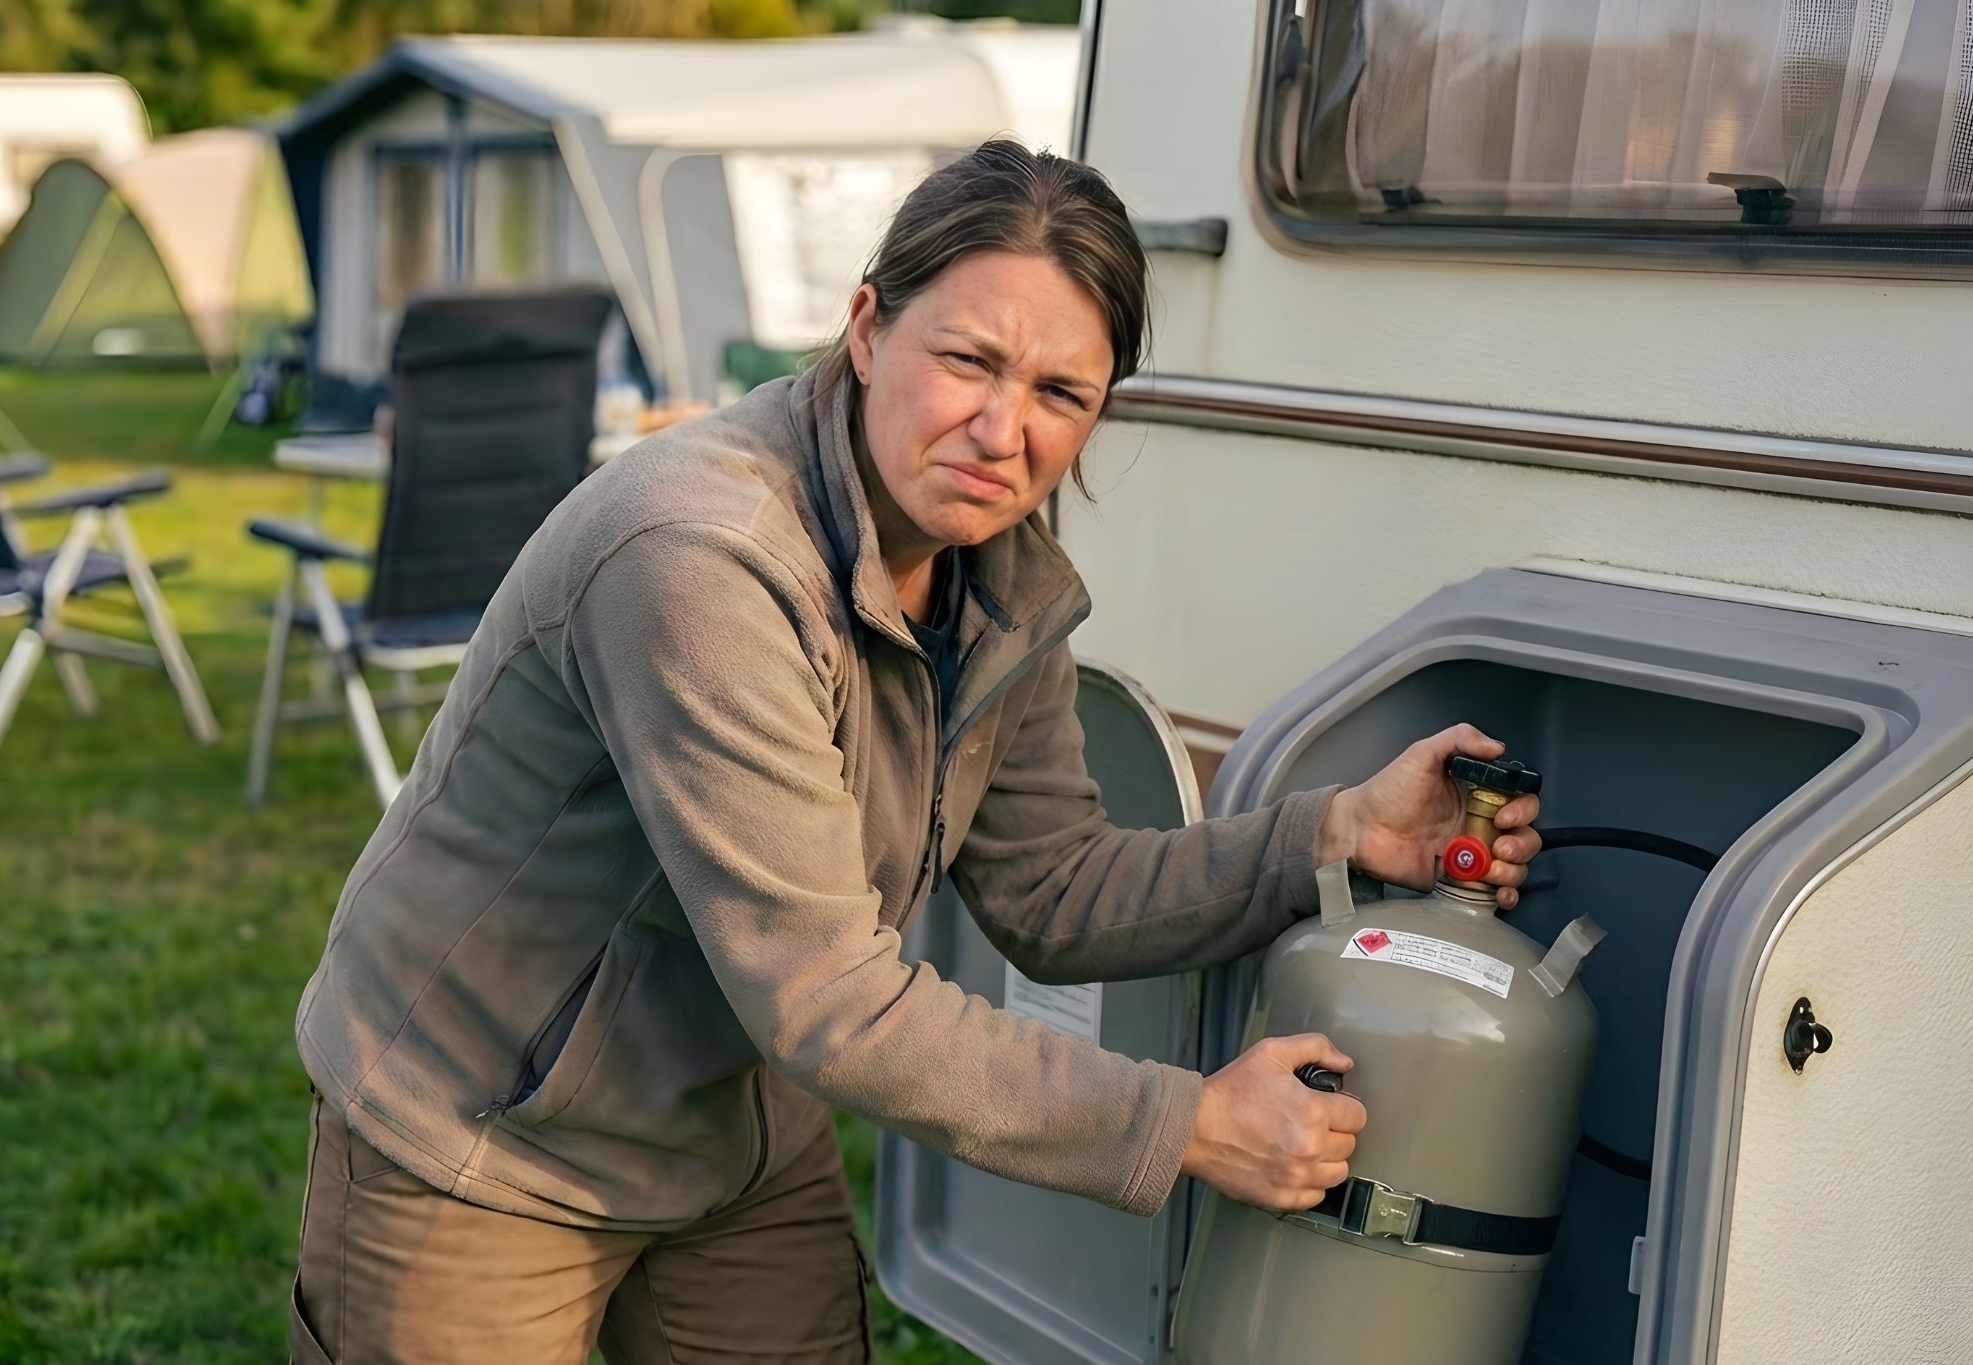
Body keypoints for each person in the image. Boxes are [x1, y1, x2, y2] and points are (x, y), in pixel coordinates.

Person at [286, 140, 1542, 1363]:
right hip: (480, 1132)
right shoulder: (698, 559)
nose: (1005, 432)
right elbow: (828, 1000)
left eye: (1061, 395)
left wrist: (1334, 833)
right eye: (968, 361)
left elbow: (1054, 890)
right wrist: (1187, 1123)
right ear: (869, 328)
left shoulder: (995, 573)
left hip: (725, 1123)